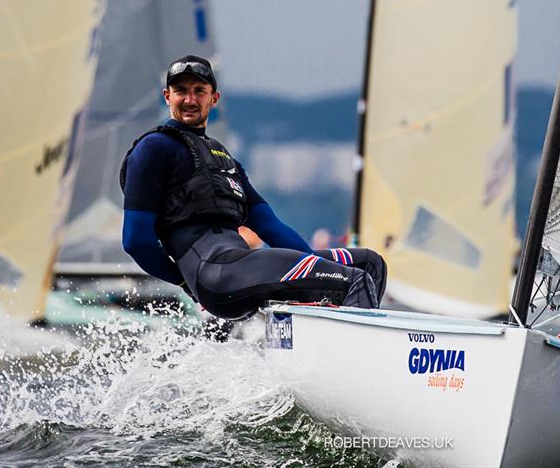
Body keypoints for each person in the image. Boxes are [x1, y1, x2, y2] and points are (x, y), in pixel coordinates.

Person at [120, 55, 386, 320]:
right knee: (354, 280)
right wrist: (184, 284)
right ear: (167, 96)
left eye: (199, 91)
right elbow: (136, 240)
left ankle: (312, 349)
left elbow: (271, 227)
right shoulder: (153, 148)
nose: (190, 100)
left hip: (242, 266)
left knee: (369, 264)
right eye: (181, 91)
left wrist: (316, 265)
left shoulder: (222, 158)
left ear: (214, 98)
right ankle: (358, 358)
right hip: (215, 275)